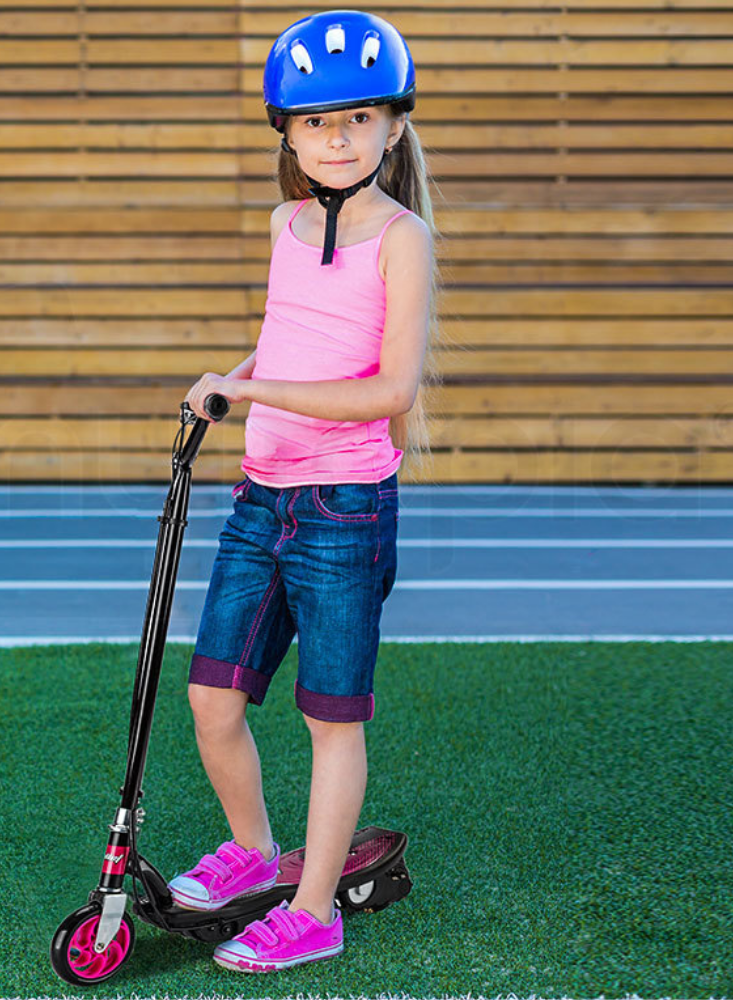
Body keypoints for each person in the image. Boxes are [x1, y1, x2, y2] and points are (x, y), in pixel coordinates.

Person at [173, 8, 441, 974]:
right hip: (261, 497)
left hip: (343, 508)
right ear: (285, 132)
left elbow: (388, 390)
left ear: (393, 128)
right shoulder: (285, 225)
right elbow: (288, 343)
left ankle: (315, 911)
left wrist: (254, 390)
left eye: (362, 117)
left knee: (331, 718)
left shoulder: (399, 238)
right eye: (319, 121)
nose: (339, 137)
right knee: (214, 699)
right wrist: (233, 377)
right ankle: (251, 855)